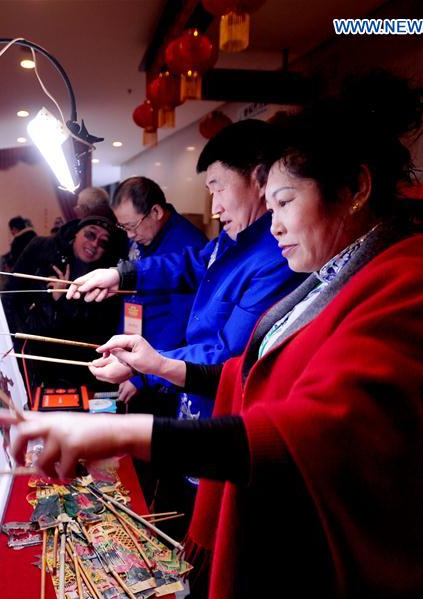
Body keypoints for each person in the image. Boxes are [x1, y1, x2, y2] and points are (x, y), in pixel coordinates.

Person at [0, 71, 423, 599]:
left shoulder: (418, 288)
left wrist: (126, 433)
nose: (277, 225)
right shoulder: (327, 277)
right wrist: (152, 358)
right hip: (285, 553)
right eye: (271, 205)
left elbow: (318, 432)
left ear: (357, 188)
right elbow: (243, 373)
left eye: (287, 202)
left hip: (337, 594)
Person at [71, 120, 304, 422]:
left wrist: (146, 366)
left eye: (219, 189)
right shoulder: (234, 236)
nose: (215, 209)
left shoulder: (280, 255)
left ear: (259, 179)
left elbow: (229, 356)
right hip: (190, 393)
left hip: (220, 407)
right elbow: (191, 263)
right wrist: (121, 275)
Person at [1, 206, 127, 390]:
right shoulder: (41, 248)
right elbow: (9, 295)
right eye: (90, 235)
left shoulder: (108, 275)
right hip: (26, 352)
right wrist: (8, 339)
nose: (94, 244)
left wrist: (62, 298)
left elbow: (97, 329)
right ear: (77, 232)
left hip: (73, 369)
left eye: (103, 243)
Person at [111, 177, 207, 412]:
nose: (129, 235)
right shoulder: (141, 238)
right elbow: (131, 299)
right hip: (137, 358)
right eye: (123, 227)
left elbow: (180, 323)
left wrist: (142, 374)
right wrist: (121, 352)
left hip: (163, 370)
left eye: (132, 226)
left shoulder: (189, 245)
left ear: (155, 211)